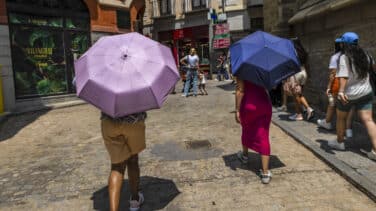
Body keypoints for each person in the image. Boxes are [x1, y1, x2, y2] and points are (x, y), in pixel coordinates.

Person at [328, 32, 376, 162]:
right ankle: (375, 151)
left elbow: (343, 76)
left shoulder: (344, 57)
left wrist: (341, 91)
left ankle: (340, 142)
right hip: (366, 92)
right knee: (368, 120)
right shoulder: (366, 55)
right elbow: (373, 69)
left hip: (348, 94)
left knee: (341, 118)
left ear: (344, 43)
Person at [101, 112, 147, 211]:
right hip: (134, 121)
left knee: (117, 167)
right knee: (133, 160)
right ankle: (135, 200)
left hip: (109, 122)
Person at [235, 78, 273, 184]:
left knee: (246, 130)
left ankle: (245, 156)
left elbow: (240, 91)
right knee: (264, 136)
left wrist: (237, 110)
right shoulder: (264, 67)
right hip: (264, 103)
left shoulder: (242, 68)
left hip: (249, 104)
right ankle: (265, 173)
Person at [317, 40, 354, 139]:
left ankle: (327, 122)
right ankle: (348, 129)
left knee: (332, 103)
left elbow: (333, 73)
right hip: (350, 82)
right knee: (348, 105)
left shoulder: (335, 57)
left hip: (338, 82)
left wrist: (329, 86)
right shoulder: (351, 55)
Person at [284, 38, 315, 121]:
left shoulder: (291, 53)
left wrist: (287, 79)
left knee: (296, 95)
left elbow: (290, 66)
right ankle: (304, 110)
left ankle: (301, 113)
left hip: (296, 74)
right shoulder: (303, 52)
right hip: (303, 72)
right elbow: (307, 64)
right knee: (299, 94)